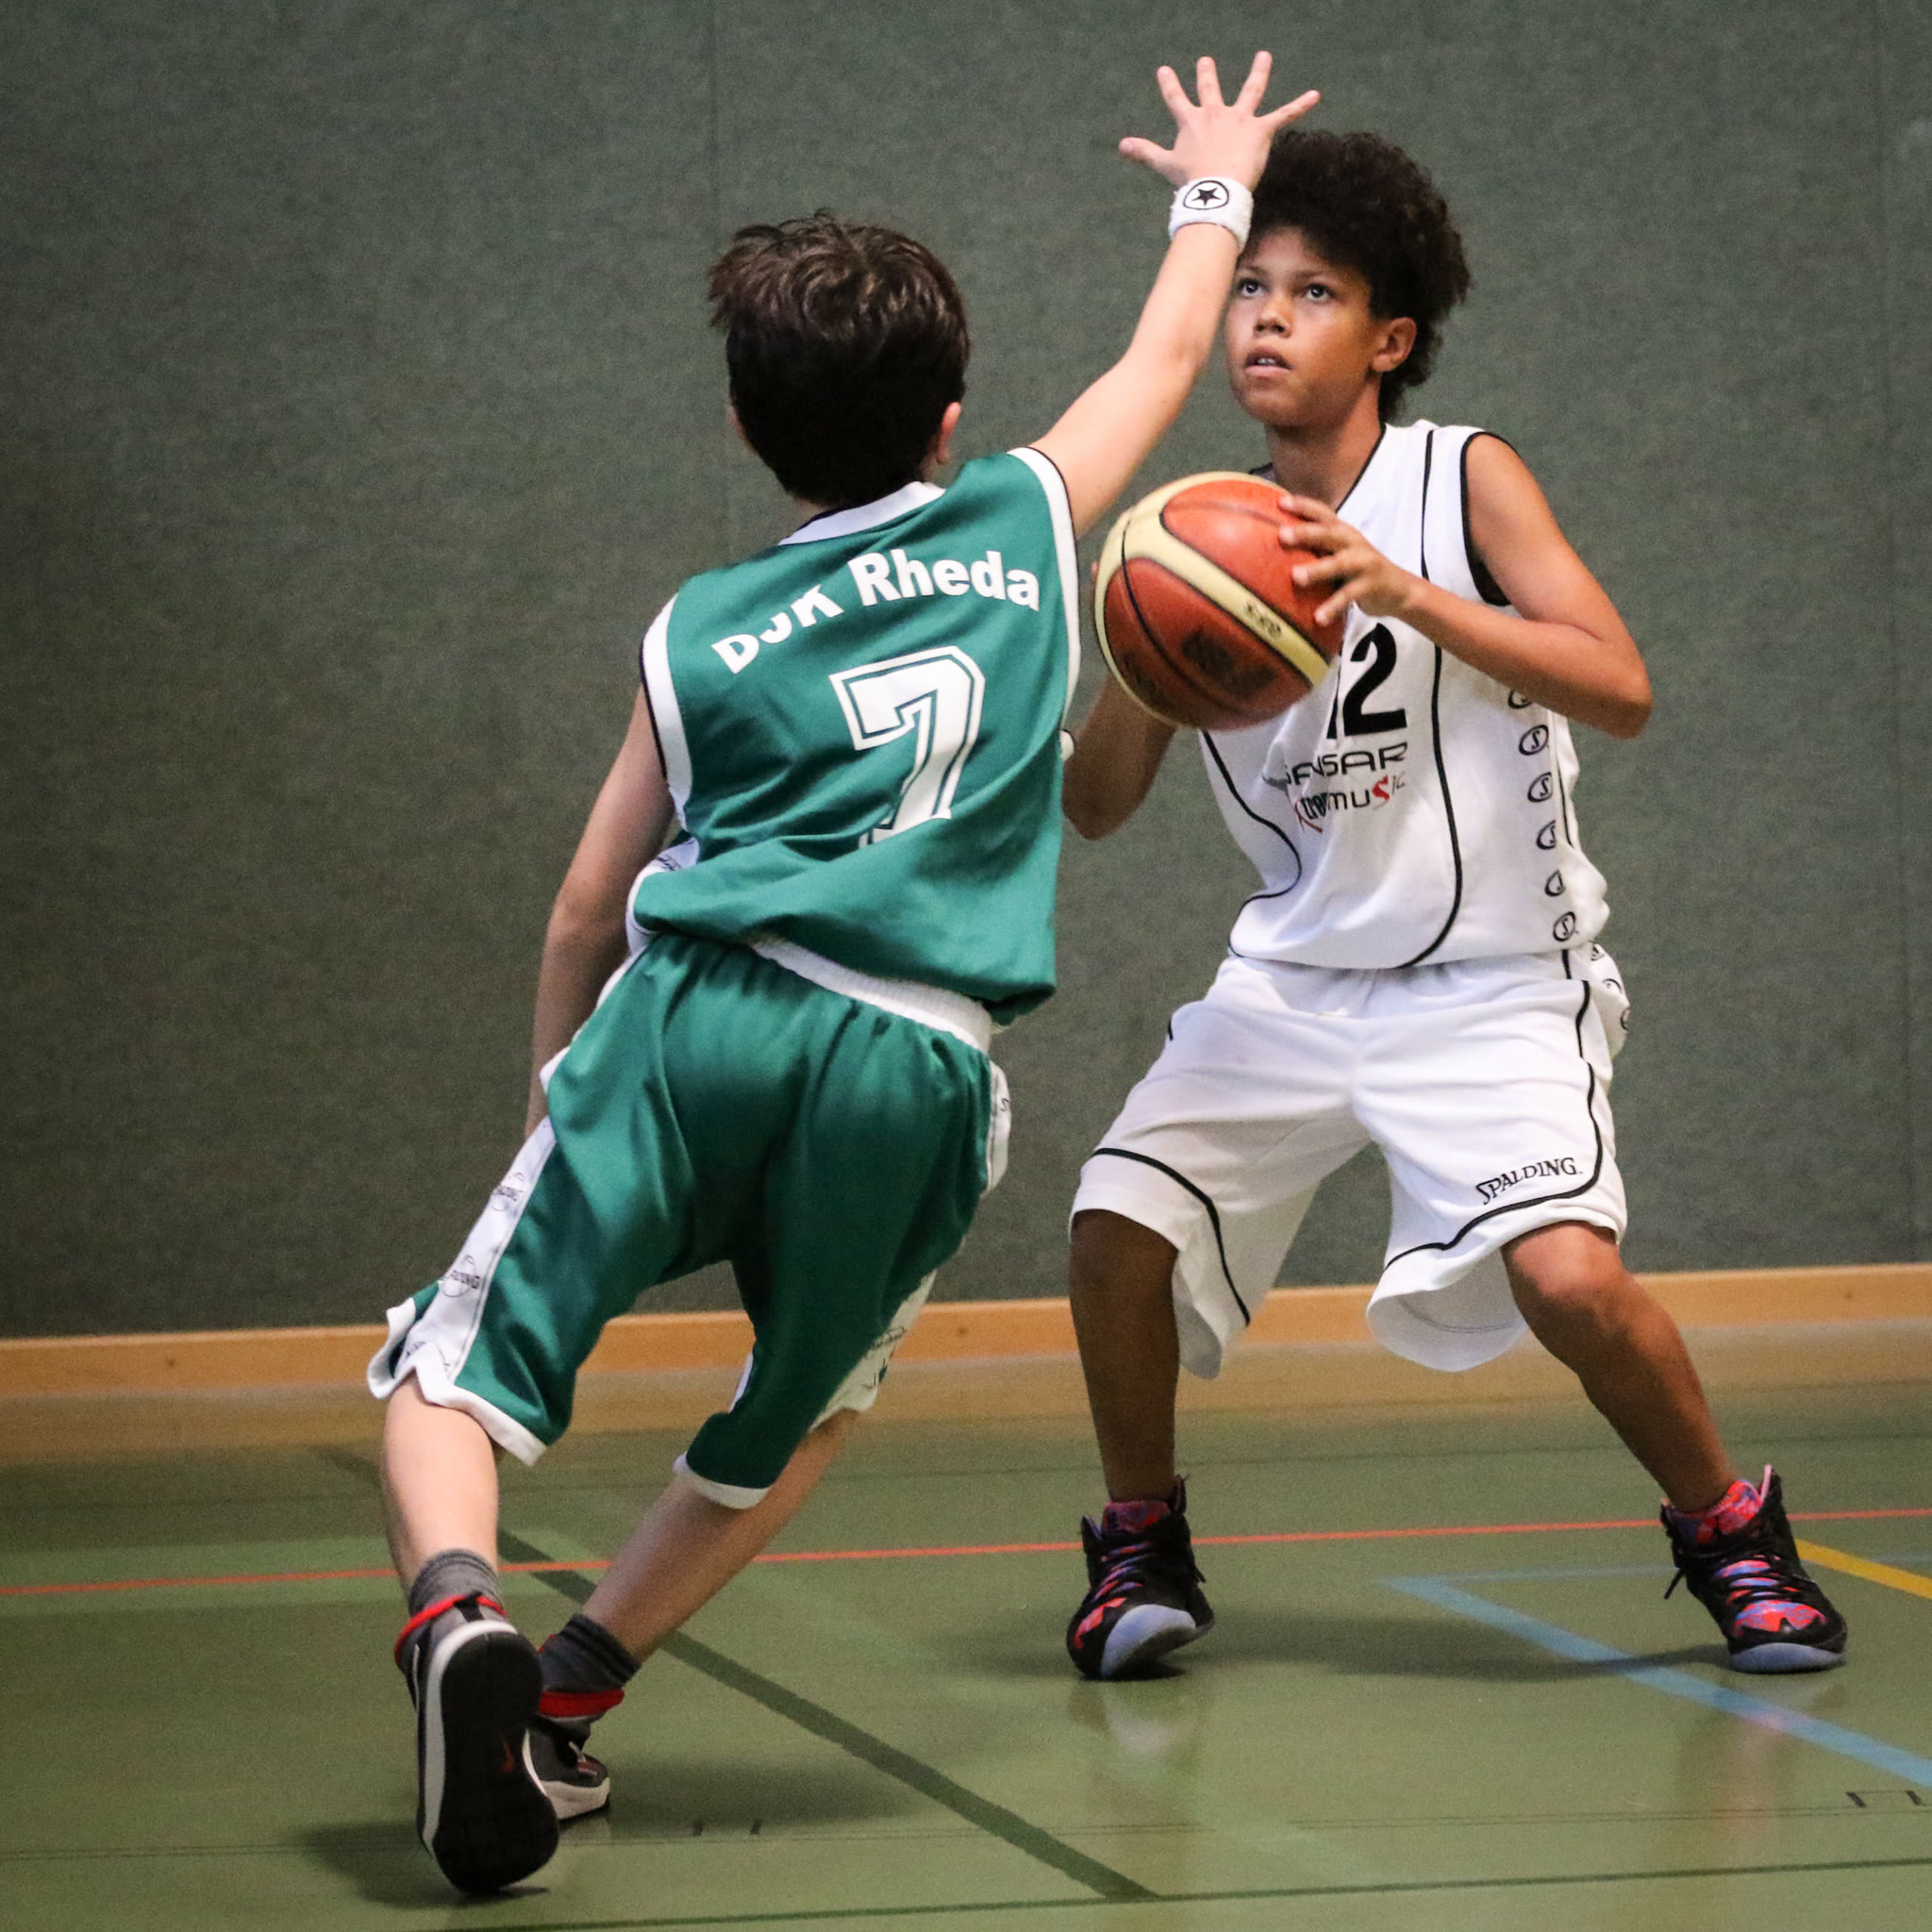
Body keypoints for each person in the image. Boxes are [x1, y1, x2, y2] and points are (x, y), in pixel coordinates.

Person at [366, 54, 1318, 1895]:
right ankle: (563, 1700)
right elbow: (1160, 358)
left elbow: (588, 902)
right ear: (951, 415)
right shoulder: (1024, 516)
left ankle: (457, 1618)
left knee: (452, 1371)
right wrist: (1215, 184)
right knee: (801, 1406)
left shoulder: (698, 631)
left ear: (747, 430)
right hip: (920, 1062)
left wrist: (568, 1088)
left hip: (699, 1019)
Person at [1059, 128, 1847, 1685]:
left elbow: (1620, 687)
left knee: (1570, 1280)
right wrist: (1153, 654)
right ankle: (1139, 1544)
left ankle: (1731, 1533)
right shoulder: (1191, 532)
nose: (1267, 317)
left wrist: (1410, 592)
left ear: (1389, 338)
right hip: (1293, 984)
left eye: (1315, 292)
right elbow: (1093, 806)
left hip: (1495, 982)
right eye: (1252, 288)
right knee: (1112, 1229)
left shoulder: (1460, 476)